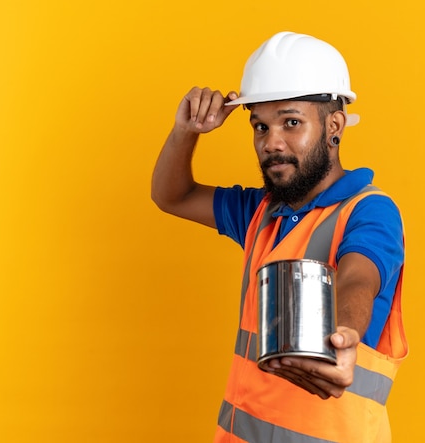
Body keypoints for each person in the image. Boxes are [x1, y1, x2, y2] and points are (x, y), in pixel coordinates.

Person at [152, 31, 408, 443]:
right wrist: (187, 131)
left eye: (291, 122)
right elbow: (172, 195)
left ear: (334, 126)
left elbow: (360, 277)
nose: (271, 142)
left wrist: (344, 335)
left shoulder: (368, 210)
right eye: (260, 126)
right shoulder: (261, 212)